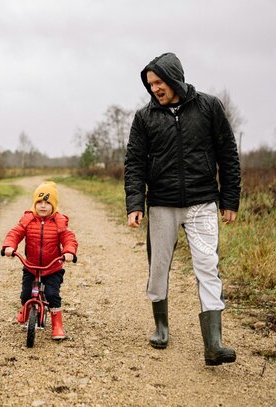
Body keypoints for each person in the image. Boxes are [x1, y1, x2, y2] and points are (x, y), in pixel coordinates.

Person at [124, 52, 241, 366]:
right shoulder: (144, 117)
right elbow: (134, 163)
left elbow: (228, 153)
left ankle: (213, 344)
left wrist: (230, 198)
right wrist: (135, 203)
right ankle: (161, 326)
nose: (155, 89)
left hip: (202, 202)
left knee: (207, 266)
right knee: (158, 268)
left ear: (174, 77)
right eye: (150, 84)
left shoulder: (209, 107)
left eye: (159, 82)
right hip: (162, 204)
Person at [2, 181, 78, 340]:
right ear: (34, 204)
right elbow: (15, 233)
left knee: (52, 294)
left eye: (47, 203)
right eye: (39, 202)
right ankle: (25, 309)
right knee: (25, 294)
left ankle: (57, 325)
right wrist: (9, 246)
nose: (43, 206)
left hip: (53, 268)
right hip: (31, 266)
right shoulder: (28, 220)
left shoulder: (59, 221)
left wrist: (69, 251)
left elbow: (68, 238)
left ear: (54, 205)